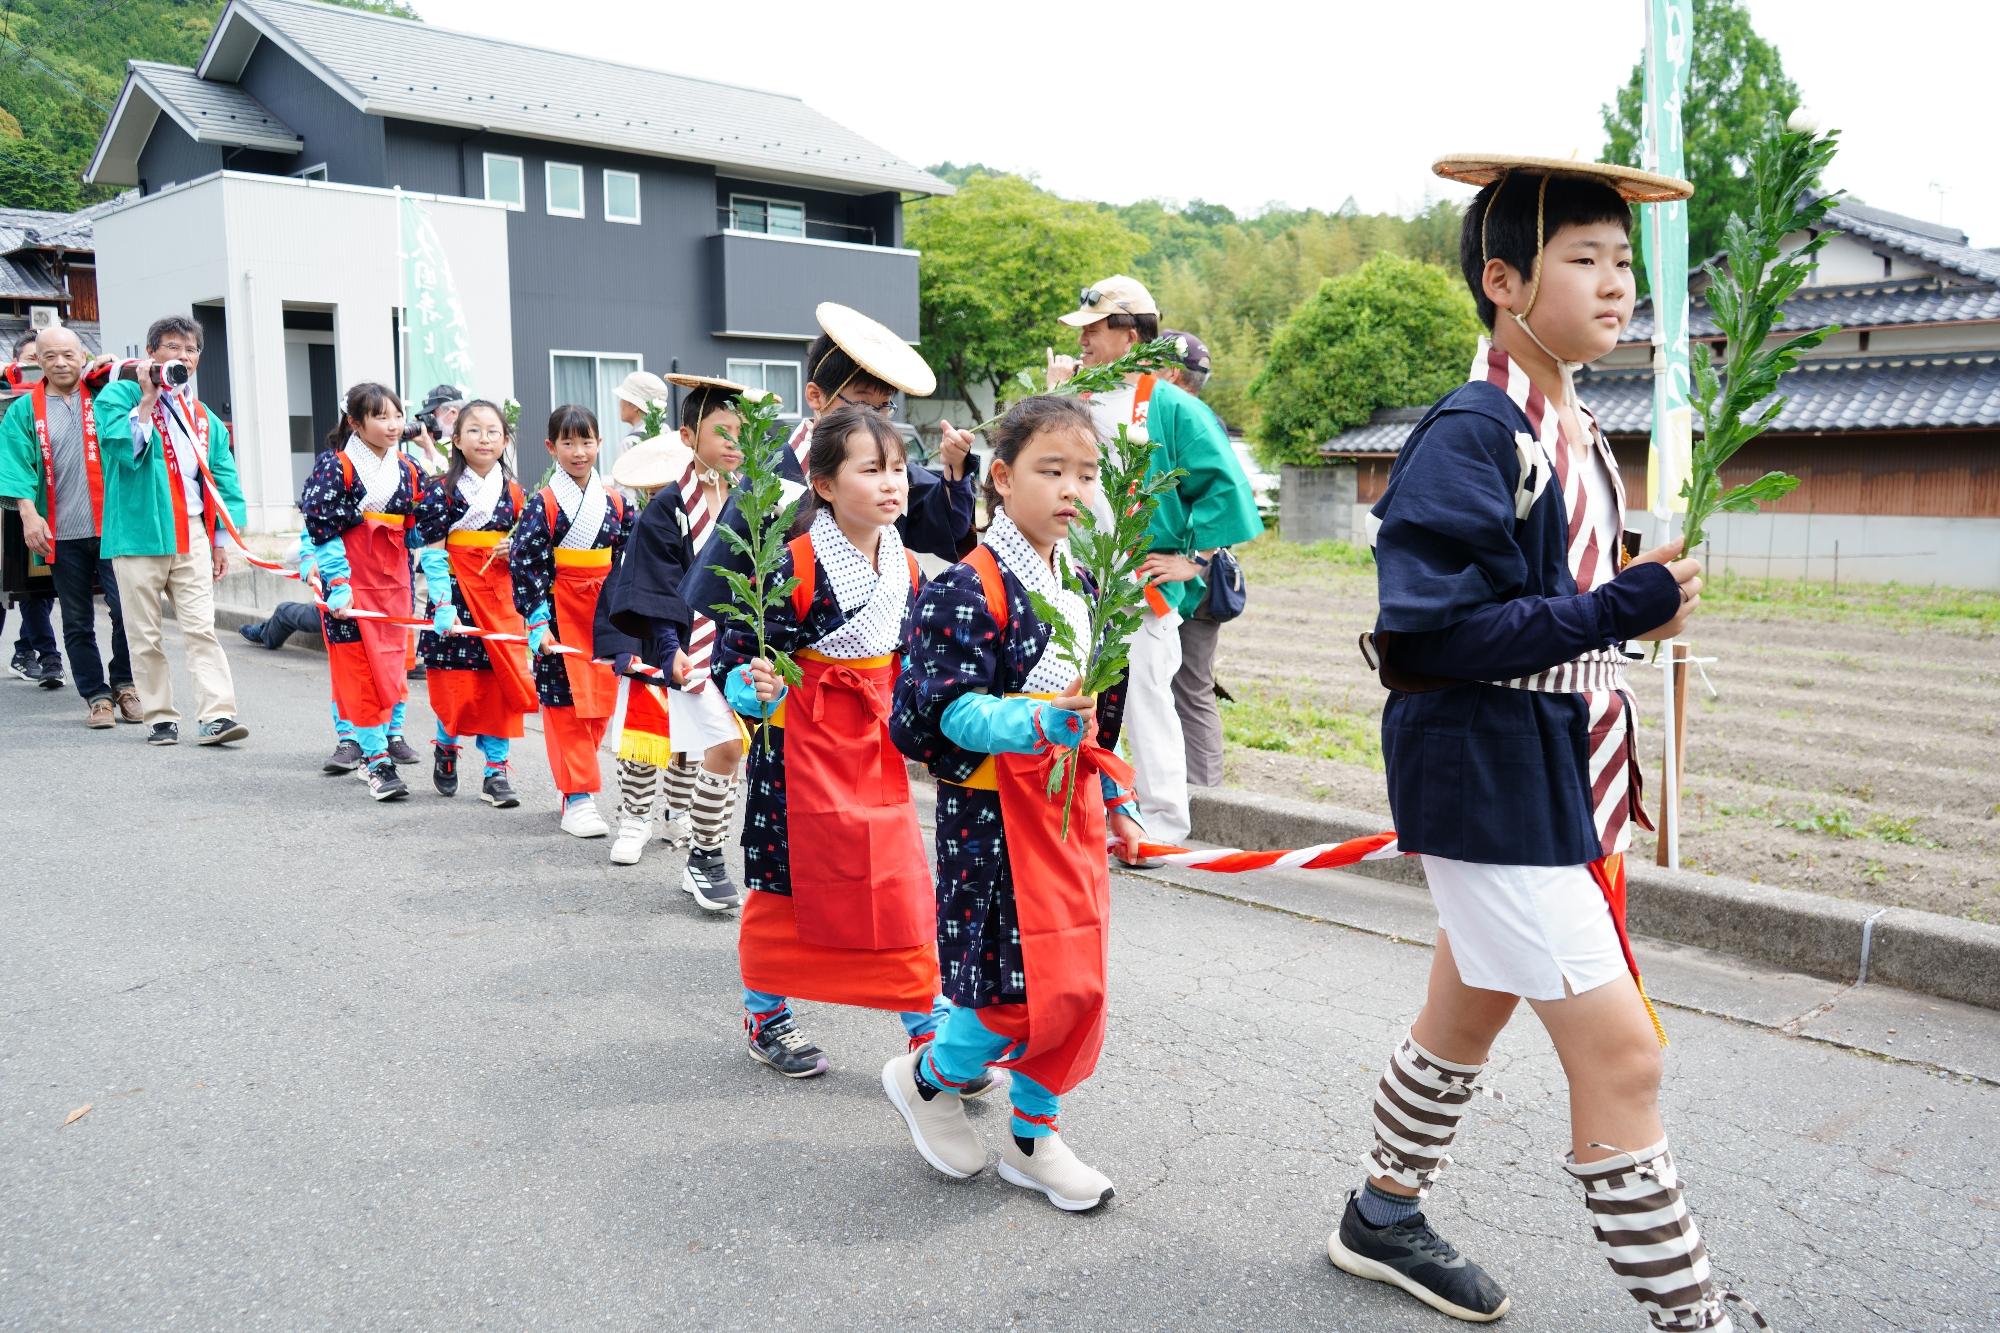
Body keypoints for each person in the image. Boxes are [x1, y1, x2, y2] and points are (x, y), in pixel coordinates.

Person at [1327, 155, 1755, 1332]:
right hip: (1492, 775)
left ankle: (1380, 1213)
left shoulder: (1566, 417)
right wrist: (1622, 606)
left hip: (1547, 765)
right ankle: (1694, 1317)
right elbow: (1429, 630)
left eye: (1622, 261)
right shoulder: (1475, 430)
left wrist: (1625, 598)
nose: (1616, 285)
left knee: (1468, 1007)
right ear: (1503, 280)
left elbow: (1540, 600)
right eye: (1584, 259)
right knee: (1622, 1057)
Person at [886, 395, 1145, 1210]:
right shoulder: (967, 588)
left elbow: (1100, 715)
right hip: (994, 818)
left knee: (1075, 983)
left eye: (1087, 473)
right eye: (1052, 470)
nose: (1073, 489)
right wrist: (1035, 718)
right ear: (1001, 477)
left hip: (1070, 813)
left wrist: (1116, 796)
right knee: (1008, 991)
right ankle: (930, 1075)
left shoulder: (1088, 584)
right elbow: (936, 713)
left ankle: (1034, 1134)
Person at [714, 404, 968, 1082]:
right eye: (872, 469)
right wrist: (752, 685)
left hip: (875, 735)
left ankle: (927, 1019)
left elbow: (915, 661)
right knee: (787, 882)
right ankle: (765, 1012)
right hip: (799, 739)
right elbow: (736, 653)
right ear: (822, 484)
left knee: (899, 880)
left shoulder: (908, 567)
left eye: (897, 470)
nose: (893, 484)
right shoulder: (792, 563)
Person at [1051, 277, 1260, 852]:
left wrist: (1195, 561)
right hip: (1068, 572)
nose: (1084, 339)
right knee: (1065, 693)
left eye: (1094, 328)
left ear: (1129, 333)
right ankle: (1085, 811)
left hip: (1140, 579)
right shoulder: (1074, 399)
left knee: (1146, 697)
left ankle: (1163, 823)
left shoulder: (1170, 404)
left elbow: (1224, 485)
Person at [677, 303, 978, 629]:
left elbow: (948, 525)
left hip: (877, 657)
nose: (872, 419)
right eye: (862, 403)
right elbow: (726, 592)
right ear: (815, 396)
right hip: (791, 662)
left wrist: (954, 467)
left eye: (884, 406)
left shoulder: (892, 476)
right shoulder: (772, 477)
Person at [603, 374, 757, 883]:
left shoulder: (753, 502)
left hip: (730, 649)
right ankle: (649, 826)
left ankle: (697, 840)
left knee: (713, 748)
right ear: (688, 437)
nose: (735, 443)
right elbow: (658, 585)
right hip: (673, 643)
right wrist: (669, 647)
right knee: (672, 739)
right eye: (722, 432)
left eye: (742, 431)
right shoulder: (666, 509)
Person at [91, 315, 249, 748]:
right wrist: (146, 399)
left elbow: (223, 477)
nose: (183, 356)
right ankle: (160, 716)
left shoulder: (202, 417)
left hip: (192, 532)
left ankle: (217, 715)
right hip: (136, 534)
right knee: (144, 633)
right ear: (151, 352)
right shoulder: (117, 396)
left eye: (191, 349)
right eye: (173, 347)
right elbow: (121, 452)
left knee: (201, 627)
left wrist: (220, 542)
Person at [0, 325, 140, 726]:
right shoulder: (25, 410)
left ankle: (126, 684)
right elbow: (14, 464)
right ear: (37, 362)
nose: (60, 362)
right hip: (62, 532)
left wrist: (117, 369)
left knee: (125, 610)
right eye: (50, 356)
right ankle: (96, 696)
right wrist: (28, 514)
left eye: (68, 354)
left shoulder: (106, 394)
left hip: (113, 527)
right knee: (77, 618)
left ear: (83, 356)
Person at [299, 382, 426, 799]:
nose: (393, 426)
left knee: (391, 668)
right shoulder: (336, 466)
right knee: (359, 672)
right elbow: (321, 527)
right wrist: (336, 583)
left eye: (397, 416)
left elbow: (430, 518)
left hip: (394, 583)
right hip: (349, 586)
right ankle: (377, 763)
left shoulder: (408, 469)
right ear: (355, 422)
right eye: (381, 417)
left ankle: (382, 742)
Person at [510, 405, 631, 837]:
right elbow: (527, 563)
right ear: (551, 447)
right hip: (559, 615)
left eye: (586, 441)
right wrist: (537, 622)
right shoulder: (542, 503)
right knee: (564, 707)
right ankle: (578, 796)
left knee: (600, 704)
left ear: (600, 443)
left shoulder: (615, 501)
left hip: (604, 614)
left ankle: (573, 788)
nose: (578, 452)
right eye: (568, 442)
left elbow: (628, 561)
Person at [412, 398, 534, 808]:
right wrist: (442, 602)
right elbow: (432, 551)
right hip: (456, 590)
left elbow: (532, 548)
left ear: (505, 440)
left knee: (500, 685)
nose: (485, 438)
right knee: (457, 685)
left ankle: (495, 772)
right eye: (475, 430)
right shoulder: (439, 491)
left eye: (493, 431)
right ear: (457, 439)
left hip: (500, 597)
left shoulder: (517, 494)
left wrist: (513, 547)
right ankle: (446, 745)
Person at [597, 425, 690, 867]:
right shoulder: (644, 525)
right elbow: (623, 586)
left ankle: (677, 810)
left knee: (691, 742)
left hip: (695, 641)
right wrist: (621, 646)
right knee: (641, 742)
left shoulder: (711, 522)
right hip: (649, 644)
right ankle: (635, 816)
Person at [1155, 328, 1231, 792]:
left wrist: (1195, 562)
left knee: (1189, 687)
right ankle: (1187, 791)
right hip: (1183, 576)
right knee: (1180, 686)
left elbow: (1224, 501)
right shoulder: (1191, 417)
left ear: (1169, 373)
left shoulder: (1188, 420)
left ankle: (1203, 797)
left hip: (1190, 580)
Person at [1, 329, 65, 691]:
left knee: (39, 589)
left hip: (47, 504)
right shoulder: (11, 399)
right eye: (35, 358)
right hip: (10, 506)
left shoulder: (64, 400)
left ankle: (37, 652)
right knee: (17, 589)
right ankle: (39, 653)